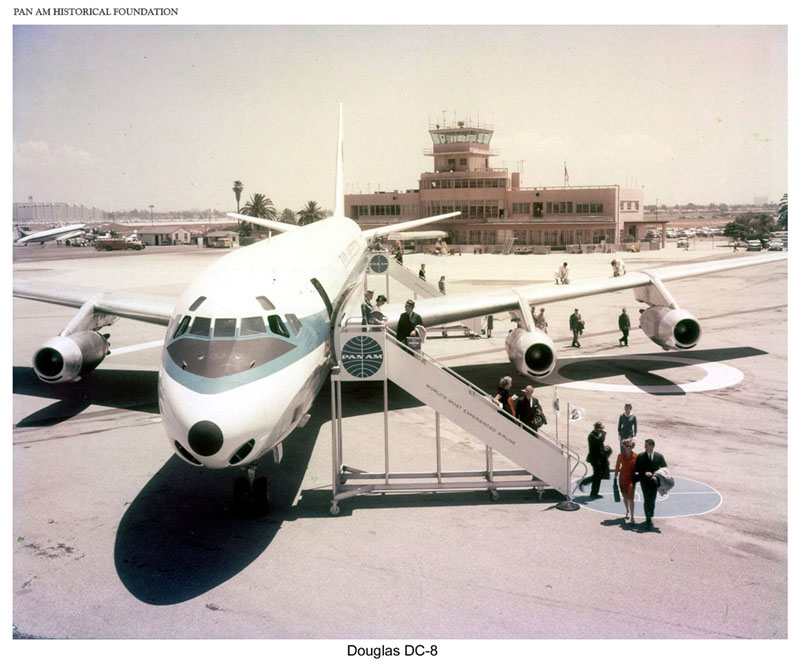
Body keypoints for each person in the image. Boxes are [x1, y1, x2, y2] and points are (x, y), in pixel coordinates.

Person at [633, 438, 667, 529]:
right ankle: (648, 519)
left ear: (652, 446)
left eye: (646, 445)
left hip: (654, 482)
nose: (645, 447)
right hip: (644, 481)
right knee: (646, 499)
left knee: (652, 499)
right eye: (645, 445)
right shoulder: (640, 456)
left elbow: (664, 467)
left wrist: (656, 473)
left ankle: (650, 514)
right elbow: (637, 468)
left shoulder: (659, 456)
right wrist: (644, 473)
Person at [579, 422, 611, 497]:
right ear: (596, 429)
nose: (601, 431)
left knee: (598, 475)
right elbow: (600, 441)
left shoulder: (596, 435)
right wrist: (603, 434)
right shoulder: (592, 436)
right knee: (597, 475)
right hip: (595, 459)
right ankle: (589, 487)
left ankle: (593, 491)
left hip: (599, 458)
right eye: (600, 429)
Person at [614, 438, 638, 523]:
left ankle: (632, 517)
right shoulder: (620, 456)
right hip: (623, 478)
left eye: (630, 446)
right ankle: (627, 510)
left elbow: (638, 467)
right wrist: (615, 476)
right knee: (625, 496)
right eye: (627, 446)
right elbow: (617, 467)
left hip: (631, 479)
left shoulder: (636, 456)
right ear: (624, 446)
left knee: (631, 497)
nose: (629, 448)